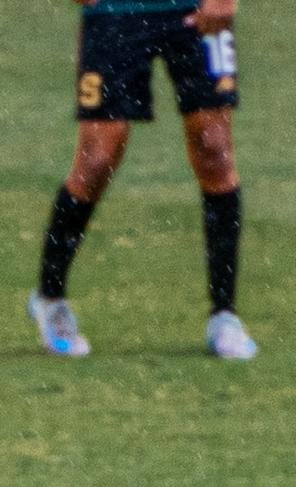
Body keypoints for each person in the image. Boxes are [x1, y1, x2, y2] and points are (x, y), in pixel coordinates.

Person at [28, 0, 256, 362]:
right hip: (116, 13)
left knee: (214, 149)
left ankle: (224, 315)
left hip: (194, 11)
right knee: (97, 161)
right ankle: (50, 298)